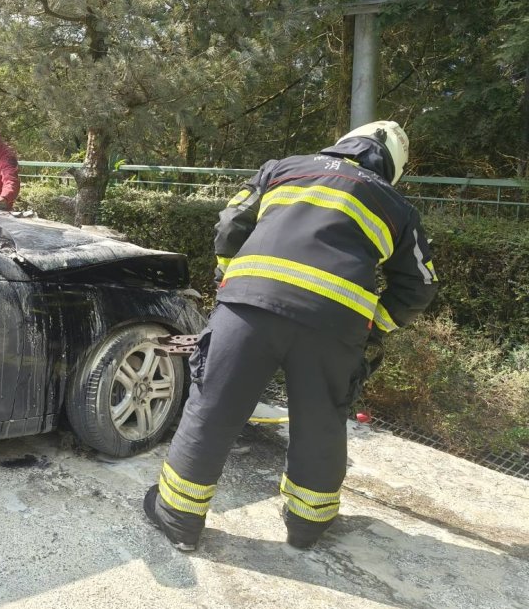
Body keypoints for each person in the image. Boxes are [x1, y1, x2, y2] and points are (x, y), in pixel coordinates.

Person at [143, 121, 439, 551]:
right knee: (321, 425)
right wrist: (375, 322)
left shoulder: (282, 169)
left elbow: (230, 225)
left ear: (343, 142)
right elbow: (420, 284)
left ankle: (178, 520)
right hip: (334, 325)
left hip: (248, 307)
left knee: (213, 408)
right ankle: (306, 528)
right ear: (392, 163)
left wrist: (231, 279)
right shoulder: (394, 204)